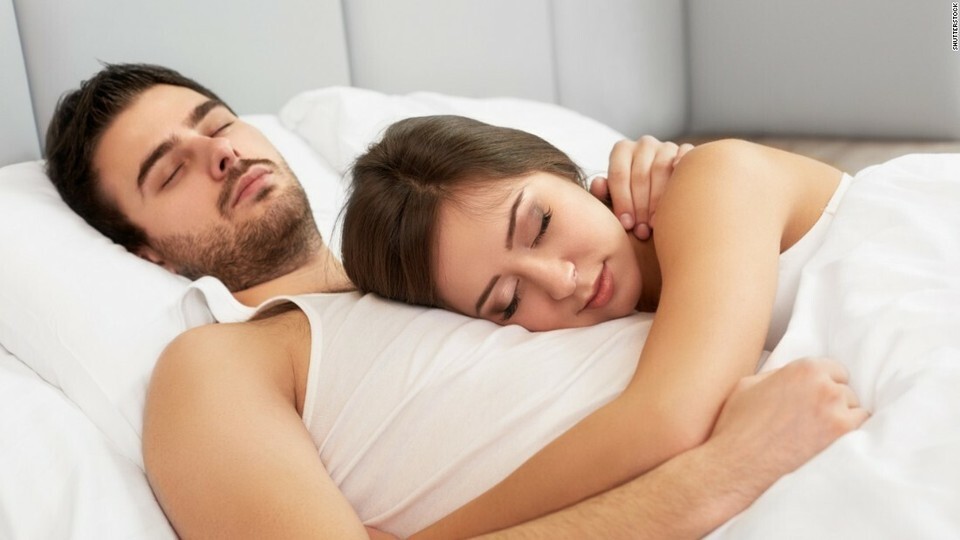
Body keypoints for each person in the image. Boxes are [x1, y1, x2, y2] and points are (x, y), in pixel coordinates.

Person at [43, 63, 867, 539]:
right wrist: (710, 480)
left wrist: (669, 203)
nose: (217, 155)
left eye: (217, 125)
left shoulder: (459, 246)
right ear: (145, 252)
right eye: (170, 170)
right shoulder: (221, 363)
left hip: (820, 394)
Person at [340, 115, 862, 534]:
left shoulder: (712, 177)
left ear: (561, 170)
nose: (561, 281)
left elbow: (670, 419)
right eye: (509, 301)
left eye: (541, 225)